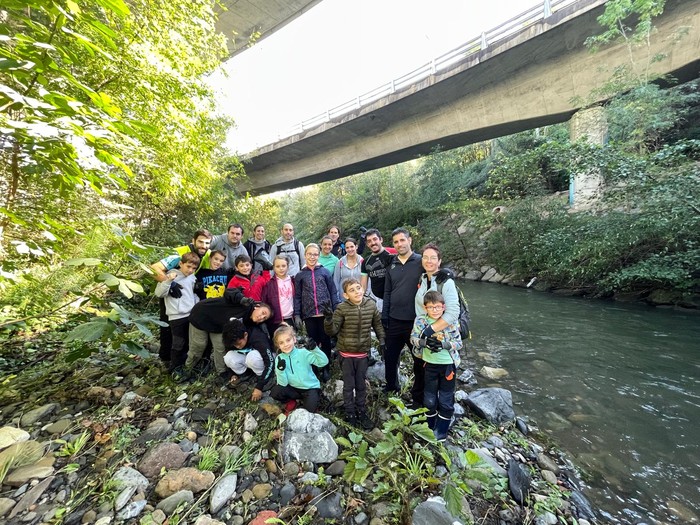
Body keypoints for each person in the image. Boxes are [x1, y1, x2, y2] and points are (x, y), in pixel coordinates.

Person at [324, 279, 385, 429]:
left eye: (358, 288)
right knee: (348, 386)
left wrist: (382, 340)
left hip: (363, 354)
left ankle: (361, 412)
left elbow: (377, 324)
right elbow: (332, 331)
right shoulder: (341, 308)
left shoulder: (370, 305)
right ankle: (350, 413)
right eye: (352, 290)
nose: (357, 291)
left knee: (361, 385)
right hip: (346, 354)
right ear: (345, 295)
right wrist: (328, 319)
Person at [150, 229, 213, 364]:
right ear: (193, 241)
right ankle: (166, 359)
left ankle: (184, 360)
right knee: (167, 327)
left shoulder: (207, 254)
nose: (204, 245)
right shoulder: (178, 254)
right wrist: (169, 284)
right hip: (170, 291)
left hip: (188, 297)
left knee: (185, 334)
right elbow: (154, 268)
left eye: (207, 243)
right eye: (200, 242)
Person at [186, 287, 273, 382]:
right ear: (257, 306)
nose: (262, 317)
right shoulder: (246, 304)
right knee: (199, 345)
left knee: (221, 346)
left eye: (265, 318)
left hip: (219, 326)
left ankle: (222, 372)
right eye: (263, 313)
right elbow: (229, 292)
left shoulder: (249, 322)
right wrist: (242, 299)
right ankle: (188, 368)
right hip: (202, 314)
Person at [410, 291, 462, 441]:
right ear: (425, 308)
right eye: (431, 307)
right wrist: (423, 342)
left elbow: (459, 344)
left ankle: (442, 431)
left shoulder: (450, 322)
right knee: (429, 398)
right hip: (429, 364)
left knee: (446, 398)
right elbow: (413, 338)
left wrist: (444, 344)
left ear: (444, 307)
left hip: (447, 366)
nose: (435, 310)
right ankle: (429, 426)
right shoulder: (420, 321)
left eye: (438, 307)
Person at [382, 228, 424, 407]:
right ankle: (392, 387)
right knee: (390, 357)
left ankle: (418, 397)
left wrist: (448, 274)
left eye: (402, 240)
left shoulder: (421, 261)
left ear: (410, 240)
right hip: (394, 319)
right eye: (396, 242)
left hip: (415, 322)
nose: (399, 244)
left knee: (419, 360)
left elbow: (436, 272)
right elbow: (387, 291)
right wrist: (385, 315)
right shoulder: (392, 264)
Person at [294, 243, 339, 381]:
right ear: (305, 255)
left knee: (325, 340)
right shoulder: (300, 275)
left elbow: (332, 291)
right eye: (310, 254)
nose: (312, 257)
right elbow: (297, 296)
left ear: (318, 256)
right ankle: (314, 366)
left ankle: (325, 366)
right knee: (312, 341)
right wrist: (297, 314)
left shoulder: (324, 272)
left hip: (325, 313)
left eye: (315, 254)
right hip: (309, 314)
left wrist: (335, 307)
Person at [153, 252, 200, 378]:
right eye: (188, 267)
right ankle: (175, 367)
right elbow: (159, 293)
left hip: (190, 314)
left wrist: (196, 305)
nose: (190, 270)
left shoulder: (192, 276)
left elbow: (192, 293)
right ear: (181, 263)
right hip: (176, 316)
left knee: (190, 342)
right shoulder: (169, 275)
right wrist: (169, 282)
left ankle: (187, 366)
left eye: (193, 268)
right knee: (178, 343)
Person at [270, 325, 329, 414]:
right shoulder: (279, 358)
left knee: (308, 413)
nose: (286, 344)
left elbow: (323, 362)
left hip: (310, 388)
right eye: (281, 343)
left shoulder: (304, 353)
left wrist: (315, 349)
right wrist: (281, 370)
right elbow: (283, 384)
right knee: (275, 392)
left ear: (294, 339)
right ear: (278, 345)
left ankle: (311, 402)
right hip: (294, 389)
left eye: (288, 340)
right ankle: (291, 402)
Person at [222, 318, 275, 401]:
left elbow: (270, 362)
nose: (237, 347)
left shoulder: (257, 337)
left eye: (239, 343)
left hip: (267, 359)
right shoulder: (231, 340)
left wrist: (259, 387)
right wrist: (232, 375)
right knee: (228, 357)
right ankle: (247, 375)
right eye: (234, 345)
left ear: (245, 335)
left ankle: (264, 378)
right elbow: (228, 356)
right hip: (249, 360)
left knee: (252, 357)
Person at [414, 243, 460, 337]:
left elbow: (453, 312)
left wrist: (429, 331)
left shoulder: (446, 282)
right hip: (422, 331)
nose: (429, 261)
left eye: (433, 258)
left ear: (439, 262)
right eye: (425, 257)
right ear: (422, 260)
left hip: (441, 335)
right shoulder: (422, 280)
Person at [360, 229, 397, 312]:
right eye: (369, 241)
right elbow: (363, 285)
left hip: (395, 299)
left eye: (375, 239)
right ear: (366, 244)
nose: (373, 243)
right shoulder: (366, 262)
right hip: (378, 301)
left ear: (381, 239)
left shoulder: (394, 254)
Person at [261, 255, 296, 334]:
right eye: (278, 266)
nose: (281, 268)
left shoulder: (293, 281)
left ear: (288, 266)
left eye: (283, 266)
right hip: (276, 320)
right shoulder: (269, 284)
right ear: (274, 268)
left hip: (291, 318)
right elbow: (264, 302)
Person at [333, 237, 363, 303]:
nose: (350, 249)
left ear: (356, 246)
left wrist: (365, 297)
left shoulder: (362, 262)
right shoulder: (340, 262)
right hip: (343, 300)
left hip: (359, 299)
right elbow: (336, 281)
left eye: (352, 247)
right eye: (347, 247)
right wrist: (337, 300)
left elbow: (367, 282)